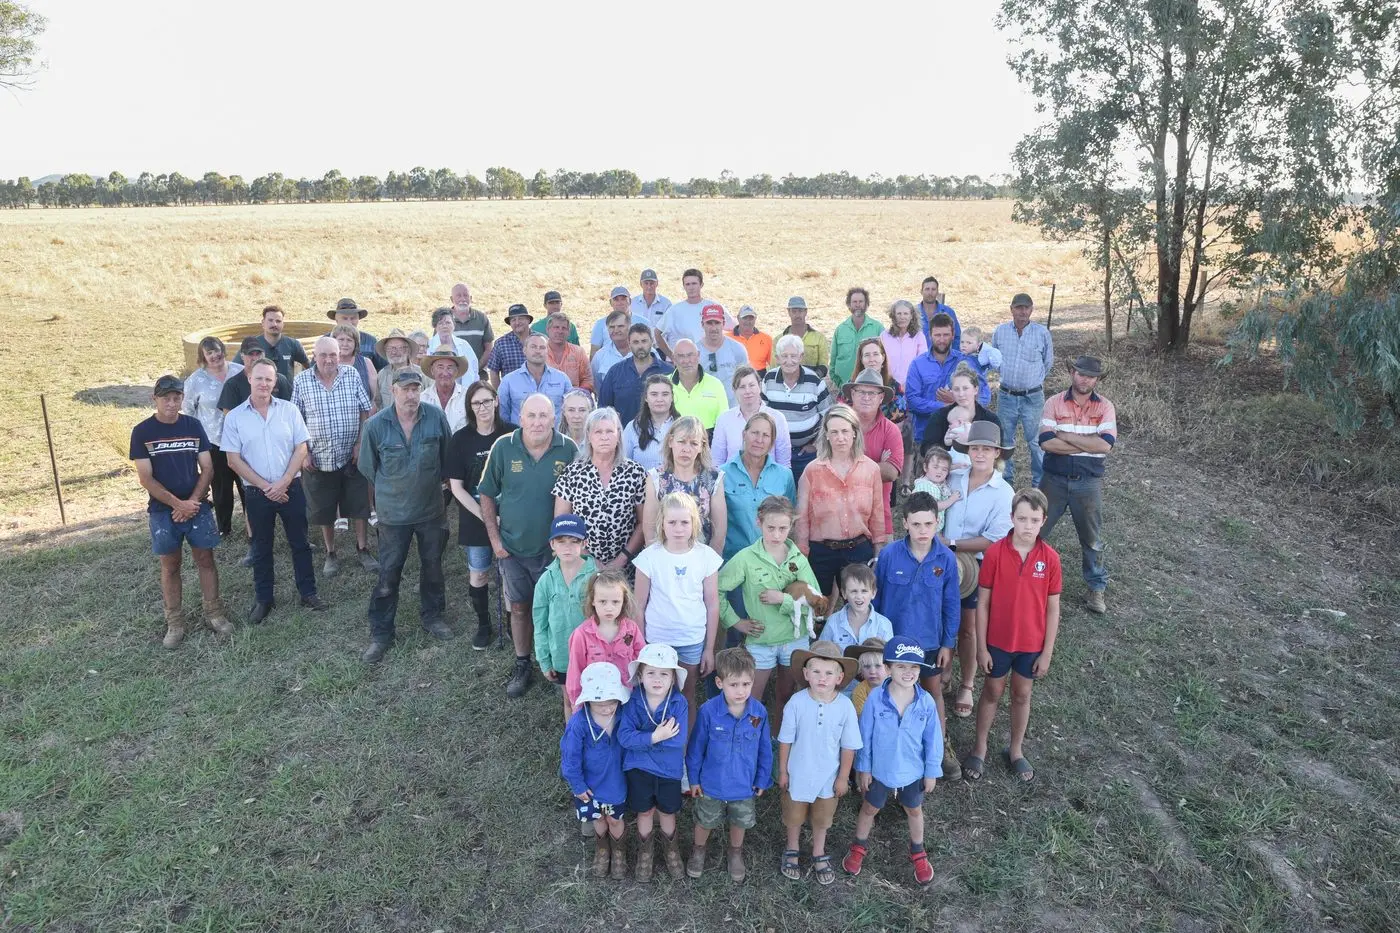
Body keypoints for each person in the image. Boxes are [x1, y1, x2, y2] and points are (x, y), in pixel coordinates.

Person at [478, 394, 579, 697]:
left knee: (557, 609)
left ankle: (559, 665)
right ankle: (523, 663)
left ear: (554, 417)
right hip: (512, 549)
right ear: (520, 418)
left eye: (543, 416)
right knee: (520, 608)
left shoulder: (568, 449)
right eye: (531, 415)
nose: (537, 422)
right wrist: (495, 539)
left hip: (554, 553)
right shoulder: (503, 447)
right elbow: (486, 493)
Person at [964, 489, 1062, 783]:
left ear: (1043, 521)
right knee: (992, 692)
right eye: (1022, 519)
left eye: (1034, 520)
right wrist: (981, 648)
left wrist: (1046, 653)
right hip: (997, 642)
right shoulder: (995, 553)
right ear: (1012, 518)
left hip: (1031, 645)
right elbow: (982, 603)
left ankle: (1016, 750)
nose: (1027, 526)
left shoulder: (1051, 559)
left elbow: (1053, 609)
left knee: (1022, 694)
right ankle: (980, 747)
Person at [357, 368, 454, 663]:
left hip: (431, 510)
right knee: (388, 573)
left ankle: (433, 616)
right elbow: (367, 467)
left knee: (433, 567)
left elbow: (446, 458)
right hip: (393, 516)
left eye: (416, 389)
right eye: (405, 389)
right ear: (393, 391)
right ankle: (381, 631)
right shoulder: (375, 426)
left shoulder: (435, 418)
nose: (411, 395)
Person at [221, 358, 325, 624]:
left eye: (269, 379)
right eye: (259, 378)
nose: (264, 384)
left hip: (291, 488)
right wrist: (267, 487)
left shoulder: (289, 411)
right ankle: (264, 599)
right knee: (261, 546)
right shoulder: (234, 417)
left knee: (300, 542)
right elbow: (233, 460)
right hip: (258, 494)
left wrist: (284, 481)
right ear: (249, 379)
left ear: (275, 382)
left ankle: (308, 592)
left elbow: (301, 448)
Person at [131, 375, 231, 648]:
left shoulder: (193, 426)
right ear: (155, 399)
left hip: (196, 506)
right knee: (170, 565)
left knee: (206, 560)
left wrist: (192, 502)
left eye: (177, 398)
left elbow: (207, 467)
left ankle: (214, 613)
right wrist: (178, 504)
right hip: (164, 512)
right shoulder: (142, 432)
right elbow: (146, 478)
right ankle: (175, 622)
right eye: (166, 399)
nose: (172, 404)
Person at [873, 491, 961, 777]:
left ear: (938, 522)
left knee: (933, 693)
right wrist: (875, 641)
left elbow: (951, 604)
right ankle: (886, 750)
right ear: (905, 524)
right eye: (916, 524)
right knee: (889, 694)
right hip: (893, 643)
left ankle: (939, 747)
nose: (923, 531)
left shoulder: (946, 559)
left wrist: (948, 643)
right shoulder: (888, 555)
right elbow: (876, 599)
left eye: (929, 524)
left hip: (930, 644)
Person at [843, 635, 942, 886]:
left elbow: (933, 740)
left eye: (914, 667)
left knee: (914, 809)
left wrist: (931, 771)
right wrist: (863, 768)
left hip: (913, 771)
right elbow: (864, 735)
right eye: (901, 666)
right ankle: (858, 846)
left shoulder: (926, 702)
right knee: (869, 807)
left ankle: (918, 851)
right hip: (880, 770)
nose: (908, 673)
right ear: (888, 668)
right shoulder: (876, 699)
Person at [718, 495, 819, 734]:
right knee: (752, 696)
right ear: (759, 523)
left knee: (786, 693)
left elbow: (817, 602)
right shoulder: (745, 558)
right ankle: (749, 737)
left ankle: (778, 738)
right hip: (761, 640)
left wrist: (782, 599)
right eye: (770, 528)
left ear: (791, 526)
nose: (776, 535)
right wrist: (735, 622)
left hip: (795, 638)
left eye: (783, 528)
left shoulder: (798, 559)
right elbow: (717, 590)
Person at [942, 422, 1016, 729]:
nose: (980, 453)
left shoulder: (1003, 492)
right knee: (940, 618)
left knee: (970, 628)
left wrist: (953, 544)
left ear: (997, 453)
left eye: (986, 448)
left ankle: (967, 684)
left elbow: (993, 539)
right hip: (943, 560)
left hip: (976, 564)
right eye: (975, 448)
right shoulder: (953, 476)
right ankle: (942, 669)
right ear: (968, 450)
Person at [633, 493, 722, 728]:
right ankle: (655, 745)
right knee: (656, 696)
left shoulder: (706, 557)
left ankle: (683, 751)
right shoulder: (649, 558)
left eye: (685, 522)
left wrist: (709, 648)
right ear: (662, 523)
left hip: (691, 639)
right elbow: (638, 606)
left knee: (686, 696)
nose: (679, 528)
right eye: (672, 522)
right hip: (657, 640)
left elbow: (712, 604)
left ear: (694, 523)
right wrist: (641, 646)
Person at [685, 646, 773, 883]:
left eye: (746, 684)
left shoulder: (759, 713)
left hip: (743, 785)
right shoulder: (708, 712)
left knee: (739, 820)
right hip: (711, 783)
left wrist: (762, 778)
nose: (741, 691)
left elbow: (765, 749)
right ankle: (699, 850)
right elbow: (696, 749)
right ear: (719, 682)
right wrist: (693, 779)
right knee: (705, 820)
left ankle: (735, 852)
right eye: (734, 685)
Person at [776, 640, 861, 886]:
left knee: (823, 818)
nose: (822, 678)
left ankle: (817, 851)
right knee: (793, 815)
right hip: (798, 773)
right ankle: (792, 847)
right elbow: (785, 740)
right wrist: (783, 770)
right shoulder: (796, 702)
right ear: (805, 674)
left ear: (839, 677)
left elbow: (849, 745)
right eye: (815, 671)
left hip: (828, 776)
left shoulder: (845, 706)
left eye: (828, 673)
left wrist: (843, 776)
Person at [291, 336, 376, 579]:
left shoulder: (350, 374)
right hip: (319, 456)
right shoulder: (302, 381)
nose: (329, 360)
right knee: (323, 508)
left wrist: (360, 443)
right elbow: (295, 419)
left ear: (339, 355)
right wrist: (304, 451)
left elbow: (364, 409)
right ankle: (331, 553)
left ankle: (363, 549)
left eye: (333, 355)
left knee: (359, 505)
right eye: (323, 355)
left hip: (352, 454)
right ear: (314, 357)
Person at [1037, 355, 1116, 613]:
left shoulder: (1105, 407)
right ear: (1072, 373)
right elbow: (1047, 442)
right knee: (1035, 531)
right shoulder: (1053, 402)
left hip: (1088, 483)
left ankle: (1096, 588)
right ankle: (1025, 579)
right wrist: (1086, 442)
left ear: (1097, 379)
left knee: (1092, 539)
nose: (1085, 379)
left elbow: (1105, 445)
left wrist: (1066, 435)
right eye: (1081, 374)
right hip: (1053, 480)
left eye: (1091, 376)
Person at [446, 380, 515, 649]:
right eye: (477, 403)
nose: (483, 407)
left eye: (487, 400)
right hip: (476, 518)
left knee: (509, 574)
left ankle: (512, 623)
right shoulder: (460, 439)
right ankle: (483, 625)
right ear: (470, 407)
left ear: (496, 401)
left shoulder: (512, 433)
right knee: (479, 573)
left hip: (510, 519)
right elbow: (456, 488)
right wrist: (487, 517)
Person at [794, 405, 889, 599]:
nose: (840, 437)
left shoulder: (871, 469)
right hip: (821, 551)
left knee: (858, 607)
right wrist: (803, 554)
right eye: (834, 432)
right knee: (817, 609)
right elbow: (802, 517)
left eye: (845, 431)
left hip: (859, 550)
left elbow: (877, 512)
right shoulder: (812, 471)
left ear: (855, 433)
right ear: (826, 435)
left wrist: (878, 550)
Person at [618, 643, 691, 883]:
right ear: (640, 675)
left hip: (669, 770)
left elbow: (678, 739)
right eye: (650, 673)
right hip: (638, 768)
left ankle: (671, 851)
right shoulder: (632, 701)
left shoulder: (678, 703)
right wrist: (654, 736)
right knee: (645, 810)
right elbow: (624, 737)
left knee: (668, 810)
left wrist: (644, 740)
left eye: (664, 674)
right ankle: (645, 853)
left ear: (673, 679)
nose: (657, 679)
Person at [561, 662, 631, 881]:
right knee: (598, 818)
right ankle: (602, 849)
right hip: (589, 786)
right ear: (588, 699)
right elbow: (570, 757)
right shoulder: (579, 723)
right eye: (600, 702)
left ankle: (619, 852)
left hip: (616, 782)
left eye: (612, 701)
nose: (607, 707)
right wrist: (577, 785)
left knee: (615, 819)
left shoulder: (623, 716)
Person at [553, 407, 647, 569]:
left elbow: (643, 522)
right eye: (598, 432)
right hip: (582, 564)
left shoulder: (635, 472)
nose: (604, 437)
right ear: (589, 436)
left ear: (618, 435)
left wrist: (621, 560)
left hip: (626, 566)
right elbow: (562, 522)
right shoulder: (573, 472)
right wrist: (590, 561)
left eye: (609, 431)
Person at [532, 514, 598, 719]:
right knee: (570, 700)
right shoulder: (546, 581)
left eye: (574, 541)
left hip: (593, 655)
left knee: (597, 700)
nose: (567, 547)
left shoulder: (596, 576)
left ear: (584, 543)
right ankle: (573, 743)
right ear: (552, 544)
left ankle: (597, 742)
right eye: (561, 541)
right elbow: (540, 624)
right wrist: (544, 659)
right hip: (562, 656)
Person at [181, 336, 243, 537]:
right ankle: (224, 528)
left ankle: (255, 524)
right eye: (209, 353)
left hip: (242, 440)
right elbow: (188, 411)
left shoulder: (239, 371)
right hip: (214, 442)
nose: (214, 355)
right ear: (203, 357)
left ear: (223, 350)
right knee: (221, 487)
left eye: (217, 350)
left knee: (246, 484)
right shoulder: (195, 380)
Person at [993, 292, 1055, 486]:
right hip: (1007, 395)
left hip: (1033, 397)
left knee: (1036, 442)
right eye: (1018, 307)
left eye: (1026, 308)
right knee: (1004, 441)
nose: (1022, 311)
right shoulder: (1000, 332)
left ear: (1031, 310)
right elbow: (995, 360)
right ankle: (1005, 481)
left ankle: (1039, 484)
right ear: (1011, 309)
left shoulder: (1042, 333)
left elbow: (1048, 362)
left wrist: (1031, 381)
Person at [641, 415, 726, 553]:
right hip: (664, 558)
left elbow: (719, 534)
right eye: (681, 441)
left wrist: (708, 567)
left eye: (693, 443)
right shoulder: (656, 478)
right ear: (670, 441)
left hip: (703, 559)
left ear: (702, 446)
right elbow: (650, 531)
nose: (686, 449)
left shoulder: (714, 478)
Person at [718, 412, 796, 561]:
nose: (759, 440)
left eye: (766, 435)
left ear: (772, 442)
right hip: (733, 560)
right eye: (755, 433)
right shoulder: (721, 474)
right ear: (744, 434)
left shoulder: (785, 476)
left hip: (772, 561)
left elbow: (792, 520)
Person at [565, 570, 647, 709]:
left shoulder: (631, 629)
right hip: (596, 702)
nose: (609, 608)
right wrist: (576, 703)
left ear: (623, 601)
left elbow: (643, 660)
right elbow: (575, 670)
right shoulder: (581, 634)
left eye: (615, 602)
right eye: (602, 601)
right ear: (592, 601)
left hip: (627, 698)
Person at [762, 334, 833, 484]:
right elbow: (761, 414)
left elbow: (829, 416)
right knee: (779, 494)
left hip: (805, 454)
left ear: (801, 357)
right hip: (775, 452)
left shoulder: (815, 382)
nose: (789, 361)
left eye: (793, 356)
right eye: (784, 356)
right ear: (777, 358)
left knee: (805, 495)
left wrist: (815, 445)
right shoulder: (768, 380)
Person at [843, 369, 904, 541]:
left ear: (880, 397)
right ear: (852, 394)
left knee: (881, 565)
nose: (866, 397)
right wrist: (877, 466)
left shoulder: (891, 430)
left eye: (872, 393)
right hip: (839, 514)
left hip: (879, 517)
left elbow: (891, 473)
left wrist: (848, 464)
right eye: (861, 392)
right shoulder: (838, 424)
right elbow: (827, 464)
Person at [905, 313, 979, 448]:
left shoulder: (964, 361)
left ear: (953, 334)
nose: (942, 340)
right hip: (927, 436)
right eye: (937, 335)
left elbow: (982, 396)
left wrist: (956, 399)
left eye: (946, 335)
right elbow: (912, 401)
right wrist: (945, 406)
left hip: (961, 438)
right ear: (930, 335)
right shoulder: (917, 364)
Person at [711, 366, 793, 469]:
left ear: (759, 386)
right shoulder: (724, 420)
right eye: (742, 387)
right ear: (734, 390)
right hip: (731, 482)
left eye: (752, 385)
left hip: (768, 481)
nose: (747, 391)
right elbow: (717, 462)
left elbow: (784, 464)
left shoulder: (777, 418)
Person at [599, 323, 674, 428]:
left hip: (661, 436)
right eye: (635, 342)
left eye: (644, 341)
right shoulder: (615, 372)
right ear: (629, 345)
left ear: (652, 342)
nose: (640, 346)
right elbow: (603, 408)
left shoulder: (668, 371)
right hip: (624, 436)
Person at [497, 333, 571, 425]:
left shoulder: (562, 379)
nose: (538, 351)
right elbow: (502, 416)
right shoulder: (508, 381)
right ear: (524, 350)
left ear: (548, 351)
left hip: (554, 437)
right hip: (520, 437)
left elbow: (570, 411)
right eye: (533, 347)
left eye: (542, 347)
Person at [658, 268, 732, 357]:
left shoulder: (713, 307)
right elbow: (657, 333)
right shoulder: (675, 310)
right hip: (685, 362)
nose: (691, 287)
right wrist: (671, 356)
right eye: (688, 284)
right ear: (684, 286)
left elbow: (734, 328)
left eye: (694, 283)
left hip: (710, 360)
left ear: (701, 285)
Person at [821, 563, 893, 654]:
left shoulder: (884, 624)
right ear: (844, 593)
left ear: (873, 593)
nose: (859, 596)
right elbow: (822, 651)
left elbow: (888, 658)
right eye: (853, 591)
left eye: (864, 591)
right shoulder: (833, 621)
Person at [829, 287, 885, 387]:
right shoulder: (840, 329)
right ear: (849, 305)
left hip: (872, 386)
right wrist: (840, 383)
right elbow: (833, 360)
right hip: (845, 386)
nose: (858, 305)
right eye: (854, 302)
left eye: (861, 301)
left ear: (867, 304)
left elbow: (884, 355)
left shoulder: (878, 328)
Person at [667, 339, 728, 431]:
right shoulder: (664, 384)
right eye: (681, 356)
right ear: (674, 359)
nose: (686, 360)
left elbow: (724, 423)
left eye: (690, 355)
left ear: (698, 356)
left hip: (708, 441)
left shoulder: (715, 384)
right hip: (672, 440)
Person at [237, 305, 310, 380]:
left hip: (286, 390)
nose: (274, 324)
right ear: (263, 322)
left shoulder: (293, 344)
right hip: (260, 389)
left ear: (283, 324)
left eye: (278, 321)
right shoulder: (251, 345)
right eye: (270, 320)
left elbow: (310, 368)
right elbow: (236, 368)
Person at [620, 375, 677, 471]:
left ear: (672, 397)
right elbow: (622, 463)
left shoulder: (681, 426)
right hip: (640, 485)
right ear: (646, 397)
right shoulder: (633, 428)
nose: (660, 399)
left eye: (665, 394)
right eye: (654, 394)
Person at [218, 336, 291, 410]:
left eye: (258, 354)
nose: (255, 358)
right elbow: (228, 416)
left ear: (264, 354)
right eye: (251, 354)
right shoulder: (232, 385)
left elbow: (289, 407)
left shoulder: (280, 380)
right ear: (242, 356)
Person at [696, 305, 749, 403]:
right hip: (704, 407)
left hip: (732, 407)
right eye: (709, 323)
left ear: (723, 324)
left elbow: (746, 380)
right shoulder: (694, 351)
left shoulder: (737, 349)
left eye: (717, 323)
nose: (713, 328)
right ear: (702, 324)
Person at [418, 347, 472, 433]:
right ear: (432, 370)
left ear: (456, 371)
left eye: (449, 367)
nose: (445, 373)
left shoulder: (468, 397)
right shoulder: (422, 399)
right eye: (440, 367)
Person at [589, 286, 651, 358]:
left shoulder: (644, 322)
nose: (620, 303)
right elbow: (594, 352)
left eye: (623, 299)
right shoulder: (600, 324)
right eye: (616, 299)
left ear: (630, 301)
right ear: (610, 303)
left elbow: (650, 347)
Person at [326, 298, 387, 370]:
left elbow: (384, 369)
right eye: (345, 318)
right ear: (336, 320)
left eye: (353, 318)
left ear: (358, 320)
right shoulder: (325, 341)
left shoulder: (371, 341)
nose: (349, 322)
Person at [880, 299, 928, 391]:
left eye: (906, 314)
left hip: (911, 386)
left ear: (911, 316)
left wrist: (909, 383)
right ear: (893, 316)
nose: (902, 317)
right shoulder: (884, 336)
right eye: (899, 314)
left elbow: (922, 363)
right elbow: (880, 360)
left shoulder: (919, 336)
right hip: (888, 386)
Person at [427, 307, 480, 386]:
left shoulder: (464, 345)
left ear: (453, 325)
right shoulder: (429, 345)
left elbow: (474, 370)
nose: (444, 326)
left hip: (464, 392)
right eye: (440, 323)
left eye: (448, 322)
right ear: (435, 327)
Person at [372, 329, 421, 412]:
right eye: (390, 348)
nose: (394, 352)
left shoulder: (420, 373)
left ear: (408, 350)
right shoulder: (382, 374)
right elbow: (378, 403)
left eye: (399, 348)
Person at [486, 304, 533, 388]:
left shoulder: (541, 340)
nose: (517, 322)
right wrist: (500, 394)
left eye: (521, 318)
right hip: (511, 396)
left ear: (528, 320)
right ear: (510, 323)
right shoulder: (501, 344)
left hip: (538, 394)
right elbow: (493, 371)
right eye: (513, 320)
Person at [544, 312, 593, 392]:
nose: (560, 331)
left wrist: (577, 394)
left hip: (573, 400)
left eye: (564, 328)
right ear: (547, 330)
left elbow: (587, 379)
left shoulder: (578, 352)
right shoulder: (540, 352)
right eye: (556, 327)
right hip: (546, 400)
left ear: (569, 332)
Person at [913, 447, 959, 532]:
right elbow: (934, 507)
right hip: (925, 530)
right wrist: (952, 499)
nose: (940, 471)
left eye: (944, 469)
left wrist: (958, 466)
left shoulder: (936, 482)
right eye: (935, 467)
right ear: (925, 467)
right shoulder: (925, 485)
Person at [780, 296, 828, 376]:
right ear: (788, 312)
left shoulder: (819, 338)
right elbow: (775, 367)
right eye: (794, 311)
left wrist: (812, 378)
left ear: (806, 312)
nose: (797, 315)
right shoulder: (779, 340)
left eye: (800, 311)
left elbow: (823, 365)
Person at [448, 283, 494, 363]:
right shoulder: (443, 320)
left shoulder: (481, 318)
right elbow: (438, 347)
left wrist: (477, 368)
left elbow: (489, 348)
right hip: (451, 374)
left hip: (479, 373)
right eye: (459, 296)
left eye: (466, 295)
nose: (463, 299)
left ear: (471, 298)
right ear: (452, 299)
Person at [590, 307, 634, 388]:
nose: (616, 330)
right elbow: (597, 385)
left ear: (629, 327)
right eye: (612, 327)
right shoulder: (600, 356)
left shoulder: (645, 352)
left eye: (620, 326)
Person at [914, 275, 961, 347]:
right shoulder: (913, 313)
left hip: (943, 356)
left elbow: (957, 337)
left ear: (937, 292)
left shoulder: (948, 312)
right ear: (921, 291)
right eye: (927, 289)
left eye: (933, 289)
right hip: (919, 357)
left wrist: (952, 356)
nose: (930, 292)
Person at [332, 324, 377, 399]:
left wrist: (371, 410)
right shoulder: (328, 363)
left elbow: (376, 396)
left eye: (349, 340)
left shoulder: (366, 362)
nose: (345, 344)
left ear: (356, 344)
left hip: (367, 410)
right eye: (341, 339)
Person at [844, 638, 888, 715]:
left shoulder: (896, 686)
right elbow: (862, 719)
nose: (872, 671)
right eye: (867, 667)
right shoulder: (860, 692)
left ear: (888, 668)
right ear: (861, 670)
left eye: (878, 666)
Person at [729, 305, 772, 371]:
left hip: (759, 377)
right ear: (738, 318)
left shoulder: (766, 339)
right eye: (745, 318)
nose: (748, 321)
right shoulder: (728, 338)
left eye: (751, 318)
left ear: (755, 319)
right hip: (734, 376)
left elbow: (773, 364)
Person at [960, 325, 1003, 391]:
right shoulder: (961, 356)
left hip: (978, 393)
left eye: (969, 343)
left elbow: (996, 363)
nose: (964, 345)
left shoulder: (979, 359)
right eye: (962, 342)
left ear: (978, 344)